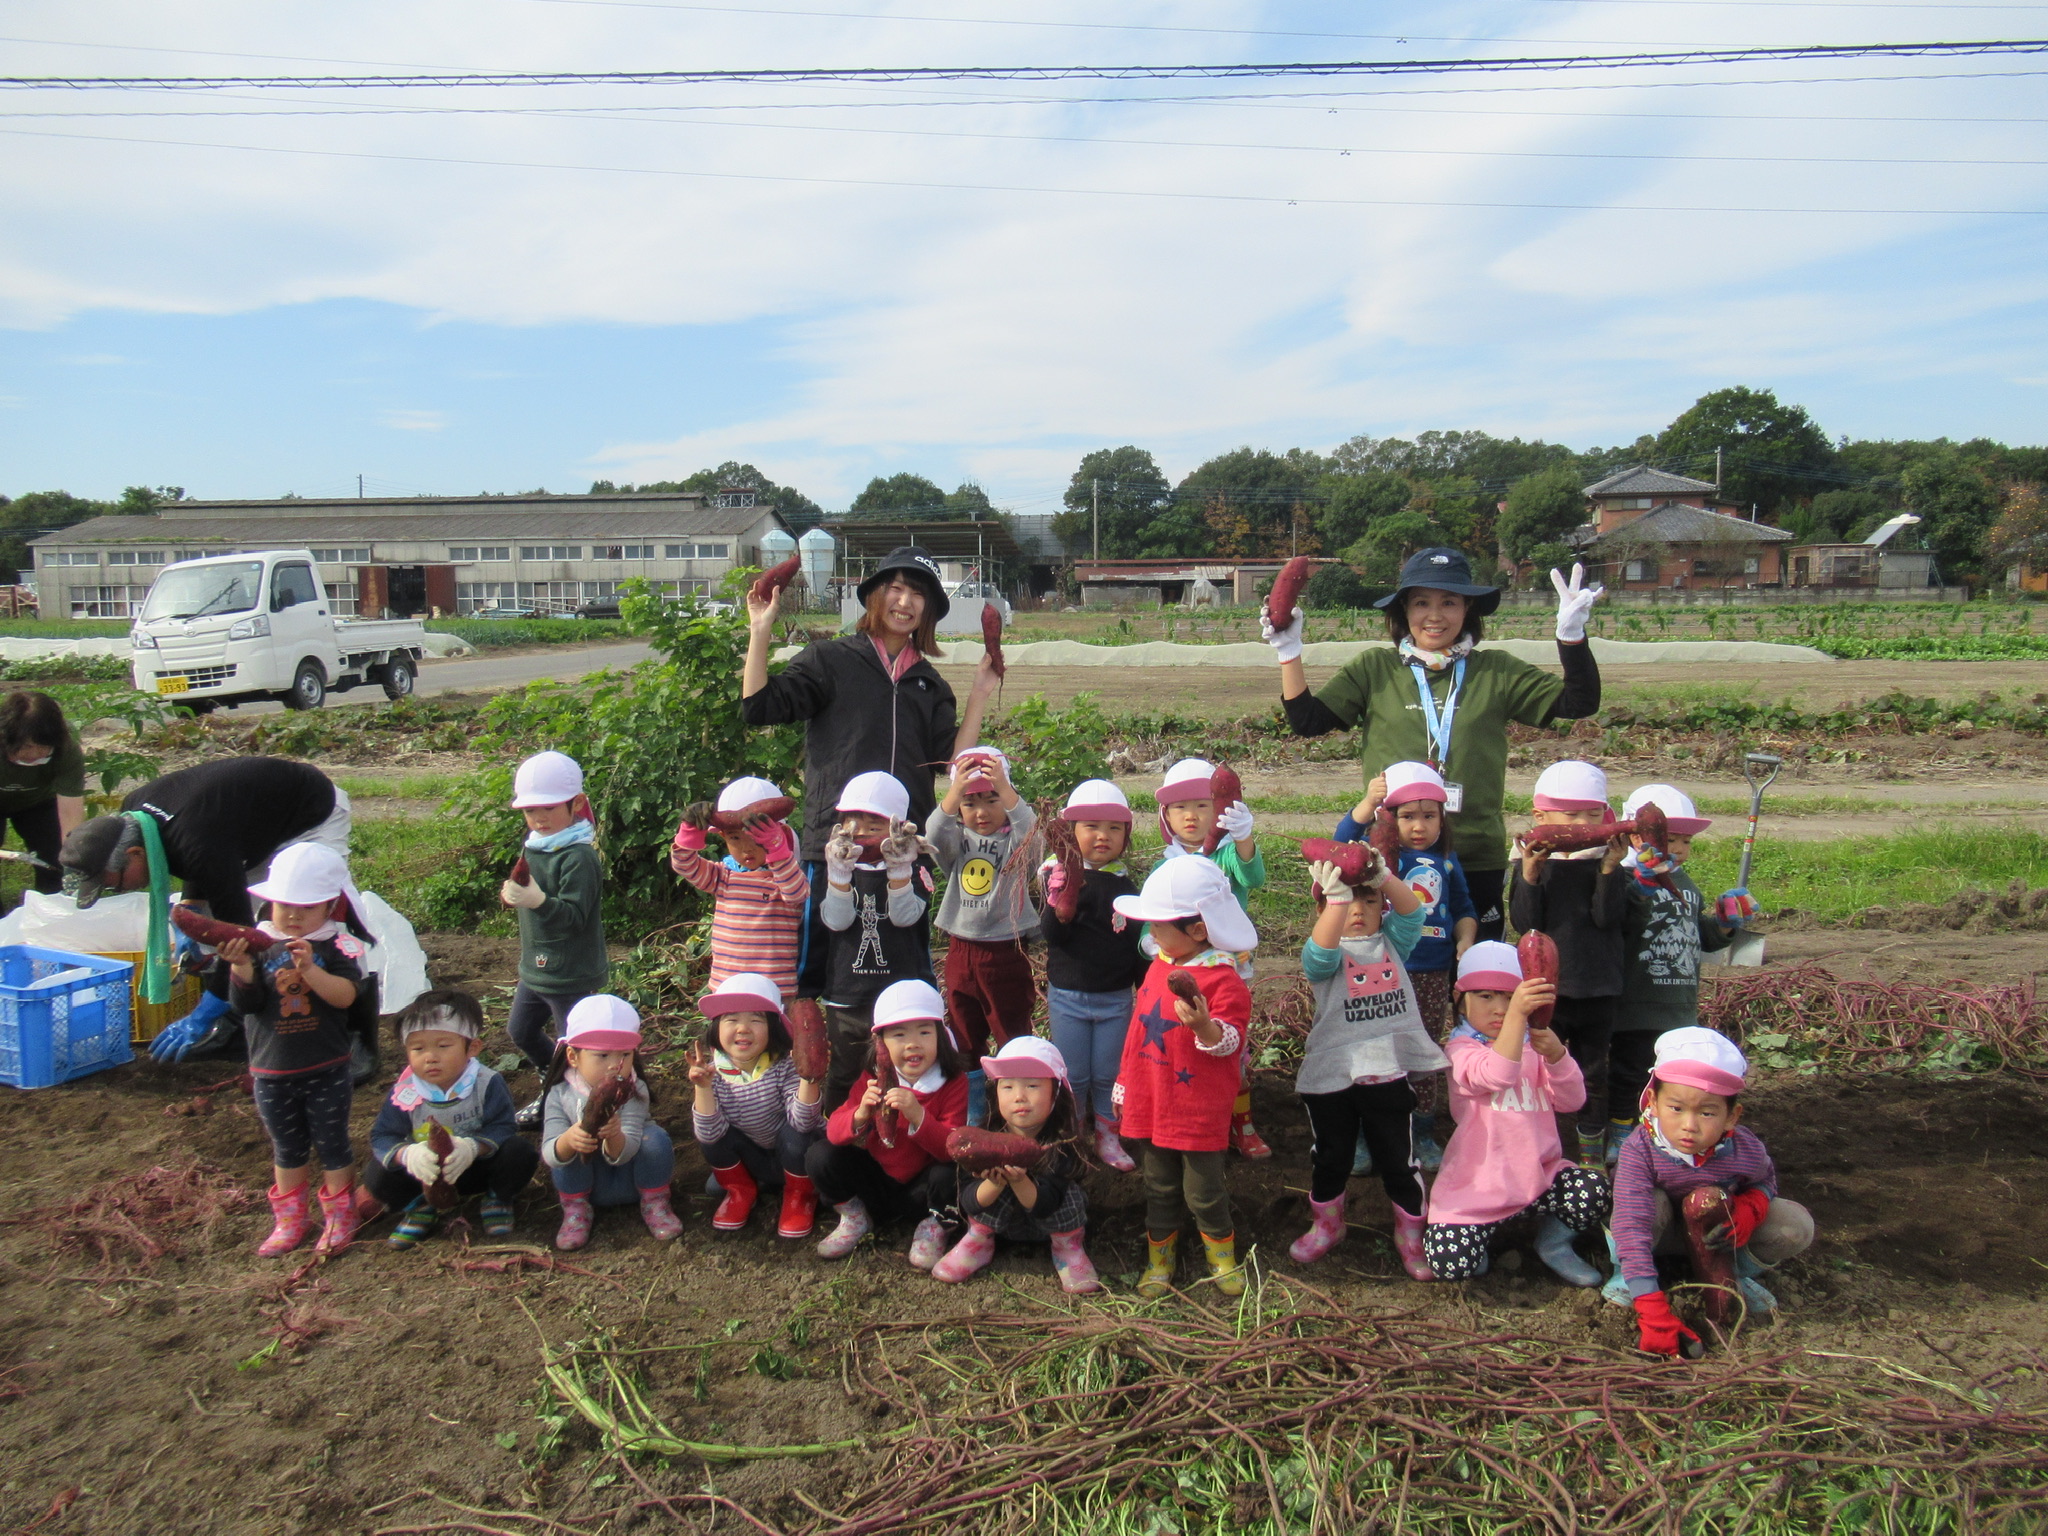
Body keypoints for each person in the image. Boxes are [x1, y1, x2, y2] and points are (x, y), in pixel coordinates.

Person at [1268, 550, 1604, 944]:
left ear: (1467, 610)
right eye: (1421, 602)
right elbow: (1308, 722)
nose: (1435, 615)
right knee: (1403, 970)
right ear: (1403, 611)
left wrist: (1572, 639)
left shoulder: (1496, 670)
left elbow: (1579, 702)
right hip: (1390, 858)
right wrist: (1288, 652)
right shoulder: (1375, 669)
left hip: (1474, 851)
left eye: (1449, 602)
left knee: (1474, 973)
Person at [740, 545, 995, 997]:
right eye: (896, 589)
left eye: (919, 595)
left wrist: (979, 690)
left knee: (903, 973)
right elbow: (759, 707)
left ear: (929, 610)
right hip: (836, 846)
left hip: (902, 850)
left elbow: (952, 763)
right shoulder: (829, 660)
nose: (906, 602)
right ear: (874, 595)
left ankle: (894, 1066)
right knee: (820, 973)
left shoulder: (929, 684)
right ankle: (818, 1068)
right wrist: (760, 630)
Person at [63, 756, 355, 1065]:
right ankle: (235, 1029)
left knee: (317, 924)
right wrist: (192, 906)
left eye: (115, 883)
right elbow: (193, 850)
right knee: (232, 929)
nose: (119, 891)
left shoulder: (197, 844)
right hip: (249, 826)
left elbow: (239, 933)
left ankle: (353, 1035)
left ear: (134, 853)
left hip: (309, 810)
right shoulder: (135, 815)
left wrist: (202, 1014)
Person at [1606, 1029, 1815, 1352]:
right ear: (1653, 1103)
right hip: (1657, 1236)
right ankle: (1631, 1278)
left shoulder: (1745, 1148)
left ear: (1732, 1116)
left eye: (1707, 1113)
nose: (1689, 1125)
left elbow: (1765, 1181)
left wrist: (1752, 1207)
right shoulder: (1640, 1149)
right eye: (1676, 1108)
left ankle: (1738, 1273)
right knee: (1647, 1205)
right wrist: (1651, 1308)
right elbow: (1632, 1227)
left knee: (1794, 1224)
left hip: (1716, 1237)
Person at [1288, 850, 1441, 1278]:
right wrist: (1335, 904)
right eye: (1345, 901)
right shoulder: (1325, 955)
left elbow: (1413, 914)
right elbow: (1318, 954)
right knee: (1331, 1155)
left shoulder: (1393, 942)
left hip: (1387, 1072)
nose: (1358, 909)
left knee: (1398, 1157)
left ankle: (1410, 1235)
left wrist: (1385, 877)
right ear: (1322, 908)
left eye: (1369, 901)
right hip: (1333, 1074)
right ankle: (1327, 1227)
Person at [1422, 942, 1610, 1287]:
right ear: (1459, 998)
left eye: (1510, 998)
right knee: (1450, 1264)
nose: (1500, 1009)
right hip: (1477, 1190)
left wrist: (1557, 1056)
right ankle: (1480, 1244)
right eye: (1485, 996)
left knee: (1592, 1188)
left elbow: (1572, 1101)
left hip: (1538, 1179)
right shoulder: (1461, 1049)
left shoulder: (1534, 1046)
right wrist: (1518, 1018)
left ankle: (1553, 1244)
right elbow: (1497, 1074)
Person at [217, 843, 374, 1259]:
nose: (292, 915)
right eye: (283, 904)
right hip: (271, 1071)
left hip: (327, 1067)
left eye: (305, 907)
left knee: (333, 1143)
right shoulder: (256, 945)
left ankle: (341, 1217)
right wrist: (241, 969)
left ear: (331, 906)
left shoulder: (340, 949)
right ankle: (290, 1220)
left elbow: (345, 998)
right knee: (286, 1147)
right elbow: (245, 1007)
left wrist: (310, 970)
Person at [1111, 858, 1258, 1299]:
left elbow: (1230, 1041)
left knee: (1204, 1189)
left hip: (1195, 1107)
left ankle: (1221, 1255)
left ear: (1197, 930)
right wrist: (1124, 1081)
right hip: (1153, 1097)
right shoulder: (1160, 966)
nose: (1151, 934)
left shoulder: (1223, 981)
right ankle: (1161, 1259)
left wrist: (1203, 1027)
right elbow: (1138, 1030)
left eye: (1158, 926)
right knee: (1158, 1185)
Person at [1336, 760, 1475, 1172]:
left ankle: (1423, 1130)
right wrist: (1367, 802)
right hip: (1381, 969)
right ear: (1389, 818)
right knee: (1371, 1048)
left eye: (1429, 816)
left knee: (1425, 1050)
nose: (1419, 826)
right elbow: (1341, 840)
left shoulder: (1446, 862)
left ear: (1441, 820)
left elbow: (1465, 908)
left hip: (1431, 971)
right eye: (1407, 816)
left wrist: (1465, 940)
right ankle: (1363, 1133)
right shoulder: (1373, 857)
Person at [1509, 760, 1629, 1168]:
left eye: (1593, 816)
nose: (1583, 824)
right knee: (1542, 1069)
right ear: (1540, 817)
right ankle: (1545, 1148)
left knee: (1593, 1072)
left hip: (1599, 984)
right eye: (1572, 815)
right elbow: (1528, 926)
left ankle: (1591, 1157)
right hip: (1549, 991)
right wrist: (1529, 875)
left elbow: (1607, 918)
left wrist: (1610, 870)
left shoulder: (1607, 862)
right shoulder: (1529, 859)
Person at [1604, 785, 1733, 1165]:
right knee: (1631, 1070)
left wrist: (1725, 926)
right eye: (1668, 839)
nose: (1676, 849)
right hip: (1638, 1001)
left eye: (1685, 841)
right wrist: (1642, 886)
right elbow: (1618, 925)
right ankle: (1620, 1130)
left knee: (1671, 1075)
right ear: (1633, 837)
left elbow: (1699, 936)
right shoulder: (1627, 879)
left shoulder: (1687, 884)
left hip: (1679, 1003)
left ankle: (1658, 1131)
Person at [806, 978, 969, 1266]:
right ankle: (855, 1217)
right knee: (820, 1155)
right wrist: (860, 1114)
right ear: (881, 1043)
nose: (912, 1044)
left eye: (924, 1032)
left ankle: (934, 1225)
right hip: (876, 1185)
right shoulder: (872, 1079)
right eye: (899, 1035)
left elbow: (950, 1148)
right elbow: (834, 1132)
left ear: (940, 1037)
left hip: (921, 1191)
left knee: (952, 1173)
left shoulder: (952, 1082)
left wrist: (918, 1115)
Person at [1154, 756, 1270, 1160]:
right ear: (1165, 815)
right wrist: (1152, 946)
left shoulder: (1225, 856)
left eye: (1203, 806)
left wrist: (1243, 840)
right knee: (1179, 1050)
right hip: (1178, 972)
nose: (1191, 815)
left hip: (1228, 972)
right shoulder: (1165, 866)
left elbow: (1253, 877)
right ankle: (1190, 1119)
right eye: (1180, 807)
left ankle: (1242, 1122)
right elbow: (1148, 927)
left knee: (1232, 1051)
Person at [362, 990, 538, 1248]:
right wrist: (407, 1154)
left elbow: (504, 1126)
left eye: (443, 1046)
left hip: (473, 1167)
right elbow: (383, 1135)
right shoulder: (406, 1091)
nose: (430, 1057)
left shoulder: (486, 1083)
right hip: (425, 1171)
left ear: (472, 1047)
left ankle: (497, 1198)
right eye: (418, 1048)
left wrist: (473, 1147)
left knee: (520, 1152)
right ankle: (421, 1206)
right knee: (377, 1174)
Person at [933, 1037, 1100, 1292]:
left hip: (1050, 1226)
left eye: (1032, 1086)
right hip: (1001, 1226)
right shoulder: (983, 1138)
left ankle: (1068, 1250)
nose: (1019, 1097)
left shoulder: (1063, 1145)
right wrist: (994, 1183)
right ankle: (977, 1243)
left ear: (1056, 1093)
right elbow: (967, 1201)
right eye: (1007, 1087)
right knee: (984, 1184)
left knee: (1071, 1195)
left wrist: (1020, 1181)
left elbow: (1048, 1203)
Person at [1039, 779, 1147, 1172]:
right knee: (1073, 1073)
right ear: (1071, 833)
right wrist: (1058, 899)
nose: (1103, 836)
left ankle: (1108, 1135)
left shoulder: (1126, 885)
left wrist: (1144, 988)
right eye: (1091, 827)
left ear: (1126, 836)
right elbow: (1052, 936)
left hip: (1115, 998)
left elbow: (1136, 945)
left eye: (1114, 828)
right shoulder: (1058, 875)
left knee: (1108, 1073)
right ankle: (1071, 1136)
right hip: (1067, 995)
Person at [927, 747, 1038, 1123]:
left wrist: (1005, 789)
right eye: (971, 803)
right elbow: (933, 833)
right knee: (962, 1029)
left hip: (1006, 952)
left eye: (992, 800)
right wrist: (952, 794)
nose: (981, 812)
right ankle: (975, 1101)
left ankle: (1017, 1104)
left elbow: (1033, 834)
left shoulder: (1015, 843)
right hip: (961, 950)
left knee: (1011, 1029)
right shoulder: (956, 843)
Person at [818, 770, 936, 1111]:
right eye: (854, 819)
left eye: (875, 822)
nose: (864, 829)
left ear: (897, 826)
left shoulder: (914, 865)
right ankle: (840, 1133)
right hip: (847, 996)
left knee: (896, 1074)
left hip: (900, 994)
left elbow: (904, 917)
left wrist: (899, 871)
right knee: (843, 1071)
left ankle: (896, 1137)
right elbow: (836, 921)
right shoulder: (840, 862)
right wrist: (839, 876)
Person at [500, 751, 607, 1131]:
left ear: (576, 803)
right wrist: (514, 892)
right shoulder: (535, 845)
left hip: (571, 973)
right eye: (530, 811)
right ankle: (556, 1085)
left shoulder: (578, 857)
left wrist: (539, 902)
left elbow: (575, 918)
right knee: (521, 1030)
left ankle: (576, 1107)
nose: (539, 819)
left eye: (547, 808)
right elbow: (528, 886)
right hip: (536, 967)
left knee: (573, 1048)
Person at [687, 971, 825, 1240]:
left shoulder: (786, 1065)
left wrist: (810, 1075)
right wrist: (702, 1088)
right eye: (732, 1019)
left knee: (794, 1134)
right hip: (755, 1159)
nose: (742, 1028)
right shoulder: (713, 1073)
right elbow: (710, 1135)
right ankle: (741, 1190)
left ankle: (799, 1196)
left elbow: (803, 1123)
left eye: (755, 1019)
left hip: (795, 1156)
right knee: (713, 1155)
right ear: (716, 1028)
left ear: (773, 1027)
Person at [539, 995, 681, 1251]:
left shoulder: (635, 1090)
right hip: (588, 1187)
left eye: (624, 1055)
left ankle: (656, 1203)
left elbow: (627, 1149)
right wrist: (569, 1140)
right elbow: (550, 1155)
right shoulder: (559, 1095)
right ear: (573, 1056)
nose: (615, 1065)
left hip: (632, 1181)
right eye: (602, 1055)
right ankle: (575, 1211)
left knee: (655, 1138)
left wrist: (614, 1135)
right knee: (570, 1149)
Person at [669, 776, 810, 998]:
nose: (746, 850)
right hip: (727, 986)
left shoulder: (785, 876)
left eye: (756, 839)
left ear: (778, 835)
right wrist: (690, 831)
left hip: (775, 990)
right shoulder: (724, 876)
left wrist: (777, 850)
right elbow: (684, 864)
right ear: (723, 836)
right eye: (735, 839)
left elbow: (796, 894)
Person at [0, 691, 85, 901]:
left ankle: (54, 907)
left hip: (38, 802)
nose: (34, 754)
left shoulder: (66, 748)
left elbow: (70, 812)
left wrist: (73, 858)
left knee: (56, 858)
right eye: (27, 746)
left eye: (44, 747)